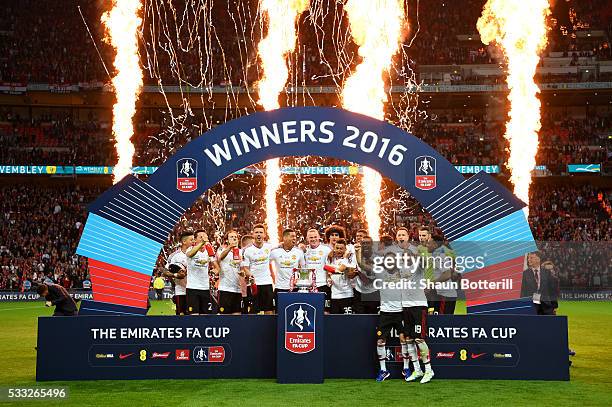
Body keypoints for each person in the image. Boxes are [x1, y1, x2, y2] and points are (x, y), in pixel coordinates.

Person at [402, 226, 435, 384]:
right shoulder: (400, 267)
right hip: (406, 306)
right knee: (409, 340)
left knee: (419, 340)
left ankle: (429, 370)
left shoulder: (420, 264)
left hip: (418, 306)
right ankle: (417, 369)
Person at [241, 224, 275, 315]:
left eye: (261, 232)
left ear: (264, 235)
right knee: (253, 311)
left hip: (267, 283)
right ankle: (252, 329)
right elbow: (245, 268)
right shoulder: (248, 250)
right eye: (256, 232)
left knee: (268, 310)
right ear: (253, 234)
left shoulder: (270, 247)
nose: (259, 234)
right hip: (254, 284)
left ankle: (268, 329)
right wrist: (250, 276)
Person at [185, 230, 220, 315]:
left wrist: (213, 272)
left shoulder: (209, 251)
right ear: (195, 240)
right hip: (192, 288)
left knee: (206, 316)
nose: (204, 238)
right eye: (201, 237)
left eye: (205, 237)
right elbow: (190, 254)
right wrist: (202, 243)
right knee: (194, 315)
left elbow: (217, 268)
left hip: (205, 288)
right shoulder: (190, 249)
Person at [270, 228, 305, 310]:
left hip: (295, 288)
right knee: (280, 312)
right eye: (292, 236)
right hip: (280, 288)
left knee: (294, 311)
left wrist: (301, 282)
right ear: (285, 238)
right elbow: (265, 263)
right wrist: (271, 275)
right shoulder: (275, 252)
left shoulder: (299, 252)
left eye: (295, 236)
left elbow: (303, 269)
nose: (294, 238)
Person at [325, 238, 357, 314]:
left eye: (341, 248)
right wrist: (328, 278)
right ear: (334, 248)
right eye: (337, 248)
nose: (339, 250)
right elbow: (327, 270)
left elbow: (340, 270)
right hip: (334, 295)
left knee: (347, 320)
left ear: (345, 249)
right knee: (334, 321)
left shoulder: (350, 259)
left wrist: (345, 258)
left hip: (347, 295)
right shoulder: (330, 258)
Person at [163, 231, 192, 315]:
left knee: (194, 317)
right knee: (181, 316)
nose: (193, 242)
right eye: (191, 240)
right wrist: (176, 275)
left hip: (194, 290)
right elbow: (165, 270)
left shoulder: (196, 254)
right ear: (184, 242)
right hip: (181, 291)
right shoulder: (174, 256)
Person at [304, 228, 332, 313]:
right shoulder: (304, 251)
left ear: (319, 237)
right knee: (310, 310)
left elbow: (330, 266)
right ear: (307, 239)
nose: (313, 239)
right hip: (309, 286)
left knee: (325, 311)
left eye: (315, 237)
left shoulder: (326, 250)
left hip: (323, 284)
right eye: (311, 237)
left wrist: (329, 278)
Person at [217, 230, 244, 315]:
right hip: (225, 289)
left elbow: (241, 267)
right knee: (224, 317)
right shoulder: (222, 249)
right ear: (227, 240)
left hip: (237, 289)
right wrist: (230, 247)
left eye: (235, 237)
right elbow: (220, 257)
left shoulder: (240, 252)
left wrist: (242, 273)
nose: (234, 238)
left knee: (237, 316)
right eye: (231, 237)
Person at [352, 229, 379, 314]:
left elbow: (363, 266)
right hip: (359, 292)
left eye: (368, 243)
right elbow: (350, 272)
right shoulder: (353, 256)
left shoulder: (377, 257)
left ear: (372, 245)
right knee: (359, 319)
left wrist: (357, 254)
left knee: (373, 319)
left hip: (373, 292)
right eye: (364, 243)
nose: (366, 245)